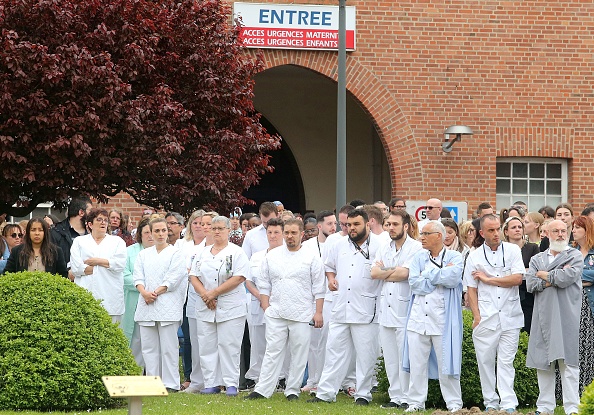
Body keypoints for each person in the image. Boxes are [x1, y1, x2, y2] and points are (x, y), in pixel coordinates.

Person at [246, 219, 325, 401]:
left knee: (298, 353)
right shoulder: (272, 257)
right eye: (287, 233)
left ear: (301, 234)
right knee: (272, 351)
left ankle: (292, 390)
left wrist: (318, 312)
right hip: (276, 312)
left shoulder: (311, 257)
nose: (290, 236)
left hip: (302, 313)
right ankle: (263, 389)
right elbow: (264, 283)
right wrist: (266, 306)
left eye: (293, 233)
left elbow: (319, 287)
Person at [309, 209, 382, 406]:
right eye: (349, 225)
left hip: (366, 308)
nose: (351, 228)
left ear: (368, 224)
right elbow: (329, 267)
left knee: (366, 355)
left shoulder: (380, 245)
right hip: (341, 306)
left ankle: (363, 394)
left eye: (356, 224)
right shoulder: (338, 244)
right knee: (334, 351)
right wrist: (331, 280)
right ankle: (325, 393)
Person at [465, 214, 525, 412]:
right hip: (486, 316)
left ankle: (508, 404)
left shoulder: (513, 250)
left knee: (507, 362)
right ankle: (491, 403)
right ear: (482, 233)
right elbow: (471, 288)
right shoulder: (474, 256)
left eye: (498, 228)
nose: (496, 233)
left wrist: (489, 279)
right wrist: (476, 316)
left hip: (510, 314)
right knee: (485, 363)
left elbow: (517, 278)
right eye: (491, 230)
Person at [402, 220, 464, 413]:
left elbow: (453, 278)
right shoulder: (418, 257)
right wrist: (436, 277)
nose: (422, 238)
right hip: (418, 319)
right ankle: (415, 402)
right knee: (417, 363)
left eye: (426, 234)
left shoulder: (455, 256)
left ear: (439, 236)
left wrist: (428, 274)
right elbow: (414, 283)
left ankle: (454, 404)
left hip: (443, 320)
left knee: (447, 363)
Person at [526, 219, 583, 415]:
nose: (561, 234)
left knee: (568, 363)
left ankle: (572, 408)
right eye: (556, 231)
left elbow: (567, 278)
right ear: (547, 234)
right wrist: (551, 278)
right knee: (543, 364)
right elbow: (530, 284)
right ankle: (545, 408)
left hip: (567, 315)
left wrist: (545, 276)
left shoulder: (574, 256)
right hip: (542, 316)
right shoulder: (537, 259)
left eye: (563, 230)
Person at [189, 216, 249, 396]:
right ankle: (211, 383)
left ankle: (231, 383)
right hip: (206, 304)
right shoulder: (202, 252)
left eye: (220, 228)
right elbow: (193, 276)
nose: (216, 231)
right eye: (213, 228)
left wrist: (214, 293)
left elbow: (239, 277)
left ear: (229, 230)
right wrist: (206, 296)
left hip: (230, 304)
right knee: (207, 344)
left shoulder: (237, 252)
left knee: (229, 344)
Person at [371, 210, 422, 409]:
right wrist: (393, 270)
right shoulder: (384, 247)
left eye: (394, 224)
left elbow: (406, 273)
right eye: (388, 224)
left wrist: (387, 271)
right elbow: (374, 272)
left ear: (406, 226)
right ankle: (395, 397)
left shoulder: (416, 248)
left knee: (405, 358)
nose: (390, 228)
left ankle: (408, 398)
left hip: (405, 310)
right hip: (385, 309)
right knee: (391, 358)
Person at [134, 218, 188, 393]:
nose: (160, 234)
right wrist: (144, 293)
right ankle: (152, 383)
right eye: (156, 231)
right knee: (149, 347)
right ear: (150, 232)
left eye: (163, 230)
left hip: (167, 303)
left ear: (168, 232)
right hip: (146, 303)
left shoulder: (176, 253)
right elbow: (138, 277)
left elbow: (174, 277)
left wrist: (156, 292)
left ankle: (171, 383)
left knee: (169, 346)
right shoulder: (143, 254)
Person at [244, 218, 285, 388]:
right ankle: (257, 378)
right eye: (270, 232)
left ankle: (281, 378)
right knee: (258, 343)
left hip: (280, 305)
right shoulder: (257, 256)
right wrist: (261, 297)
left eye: (276, 232)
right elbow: (248, 280)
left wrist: (269, 299)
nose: (273, 236)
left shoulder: (288, 255)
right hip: (257, 304)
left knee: (279, 343)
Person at [300, 210, 338, 394]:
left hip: (333, 298)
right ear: (319, 227)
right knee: (313, 342)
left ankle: (326, 380)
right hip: (312, 299)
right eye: (330, 224)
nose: (334, 227)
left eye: (335, 223)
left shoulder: (339, 243)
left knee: (329, 342)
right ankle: (313, 379)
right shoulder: (307, 246)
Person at [70, 208, 127, 322]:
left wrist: (97, 261)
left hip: (110, 297)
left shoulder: (117, 242)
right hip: (86, 294)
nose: (103, 222)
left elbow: (120, 265)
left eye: (105, 220)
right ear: (90, 224)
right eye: (99, 219)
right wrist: (106, 265)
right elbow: (76, 268)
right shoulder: (79, 242)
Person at [183, 211, 218, 394]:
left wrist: (211, 295)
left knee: (218, 343)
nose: (205, 227)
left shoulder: (227, 249)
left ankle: (216, 380)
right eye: (202, 224)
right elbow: (191, 275)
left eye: (209, 224)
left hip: (218, 301)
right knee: (197, 343)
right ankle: (197, 381)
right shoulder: (195, 249)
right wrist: (205, 295)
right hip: (197, 300)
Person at [122, 218, 154, 369]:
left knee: (152, 340)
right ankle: (135, 371)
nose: (150, 236)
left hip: (155, 300)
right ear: (140, 234)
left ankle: (154, 373)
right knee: (135, 339)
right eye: (146, 232)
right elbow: (124, 275)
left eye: (152, 232)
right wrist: (143, 288)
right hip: (133, 300)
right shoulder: (130, 252)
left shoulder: (164, 252)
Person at [502, 216, 540, 334]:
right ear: (506, 232)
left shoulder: (532, 248)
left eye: (520, 227)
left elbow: (535, 271)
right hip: (505, 295)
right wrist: (523, 271)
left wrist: (515, 273)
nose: (518, 229)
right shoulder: (502, 249)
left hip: (527, 295)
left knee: (526, 329)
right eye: (514, 227)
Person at [571, 216, 594, 393]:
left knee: (590, 347)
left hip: (590, 305)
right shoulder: (570, 252)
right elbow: (561, 273)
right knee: (575, 347)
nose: (573, 231)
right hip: (572, 304)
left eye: (577, 228)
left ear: (587, 230)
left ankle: (588, 390)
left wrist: (574, 277)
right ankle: (574, 390)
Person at [3, 217, 67, 278]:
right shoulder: (17, 251)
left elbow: (63, 276)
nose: (37, 233)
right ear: (28, 232)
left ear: (45, 233)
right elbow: (7, 274)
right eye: (33, 230)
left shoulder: (56, 251)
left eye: (40, 230)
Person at [50, 196, 93, 280]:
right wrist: (66, 273)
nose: (93, 215)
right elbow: (51, 262)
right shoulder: (56, 233)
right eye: (90, 211)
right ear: (81, 212)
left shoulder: (92, 234)